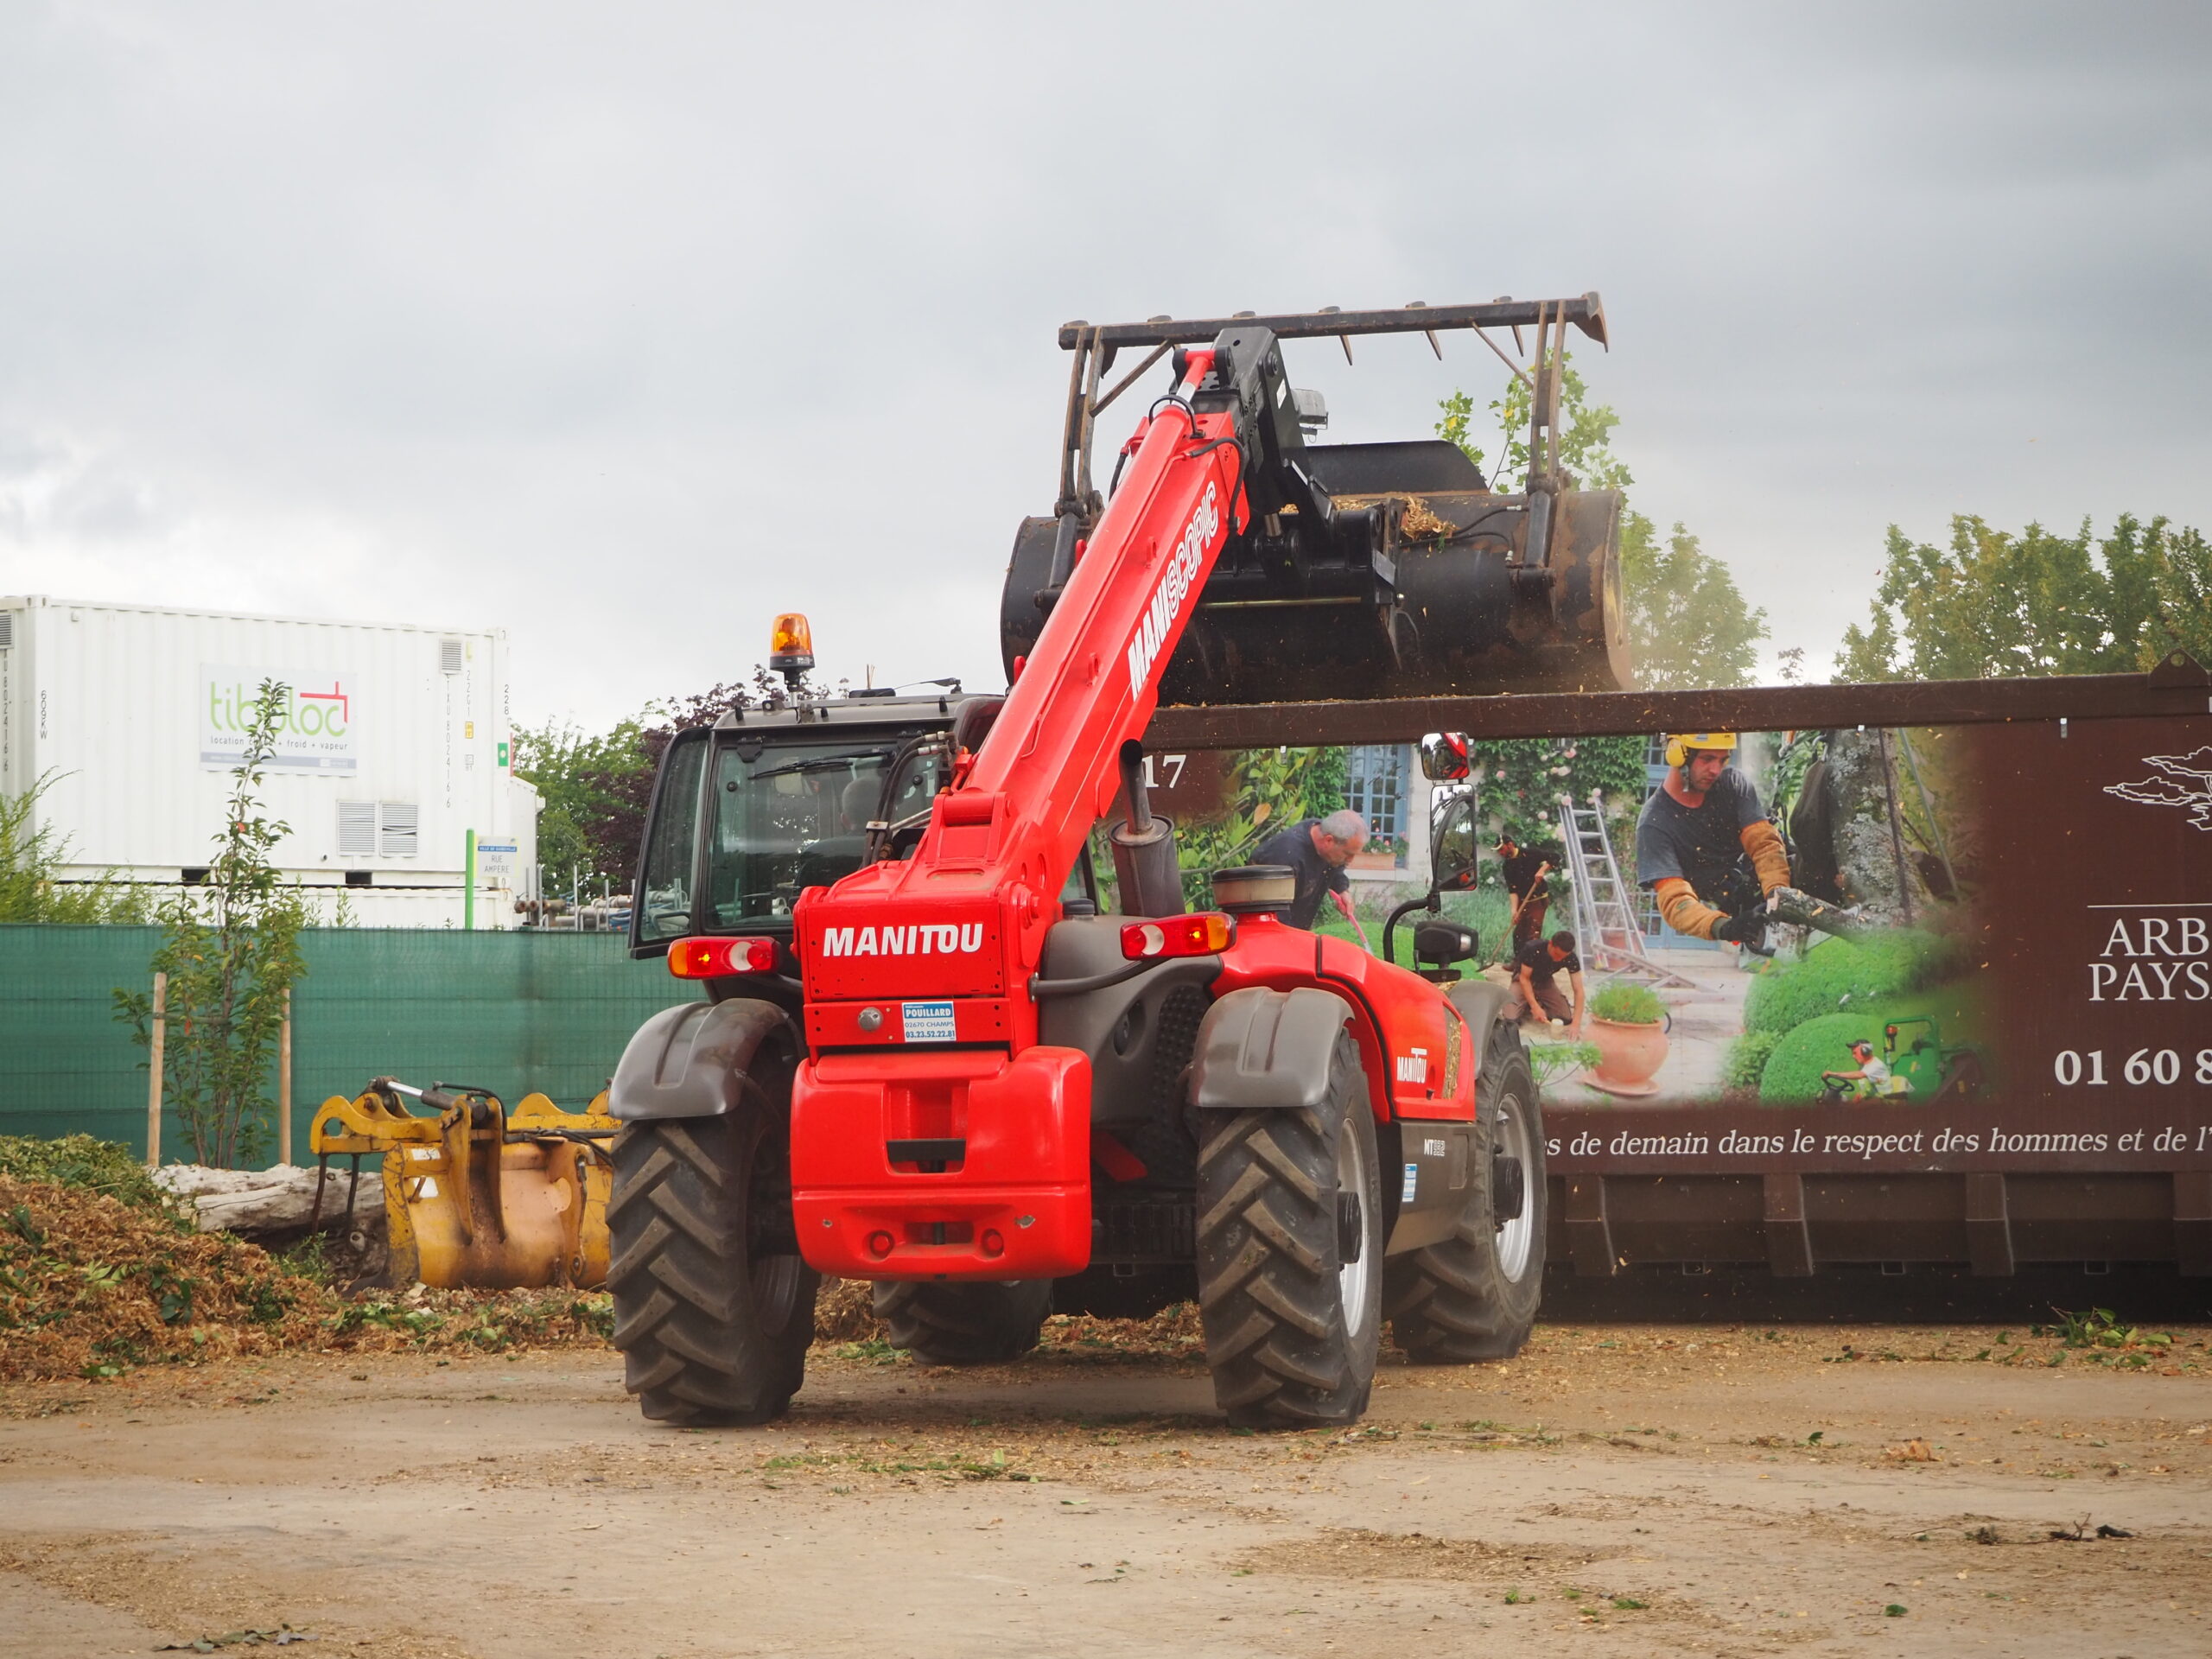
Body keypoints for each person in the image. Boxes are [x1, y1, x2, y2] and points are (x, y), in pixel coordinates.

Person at [1634, 732, 1792, 950]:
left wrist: (1778, 895)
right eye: (1707, 759)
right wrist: (1725, 927)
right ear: (1677, 756)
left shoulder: (1734, 785)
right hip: (1737, 904)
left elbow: (1764, 844)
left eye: (1722, 760)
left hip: (1777, 884)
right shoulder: (1654, 824)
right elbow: (1676, 901)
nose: (1716, 770)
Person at [1250, 808, 1369, 929]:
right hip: (1266, 931)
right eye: (1348, 854)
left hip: (1296, 930)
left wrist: (1342, 890)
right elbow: (1276, 916)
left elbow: (1334, 866)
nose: (1350, 860)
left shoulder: (1324, 834)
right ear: (1329, 840)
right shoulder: (1285, 857)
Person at [1513, 928, 1585, 1033]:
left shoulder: (1571, 958)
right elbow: (1524, 979)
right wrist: (1535, 1006)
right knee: (1511, 1017)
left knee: (1564, 1017)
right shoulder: (1533, 948)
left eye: (1563, 957)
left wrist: (1576, 1023)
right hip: (1524, 980)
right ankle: (1530, 1004)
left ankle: (1537, 1002)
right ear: (1551, 944)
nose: (1559, 959)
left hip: (1545, 981)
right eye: (1557, 954)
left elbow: (1579, 990)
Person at [1496, 834, 1555, 951]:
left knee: (1532, 935)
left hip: (1538, 900)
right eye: (1498, 851)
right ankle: (1518, 962)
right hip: (1523, 901)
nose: (1500, 853)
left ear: (1510, 845)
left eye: (1502, 849)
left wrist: (1542, 871)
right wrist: (1514, 911)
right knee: (1518, 934)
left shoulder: (1530, 853)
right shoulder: (1507, 865)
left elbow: (1555, 857)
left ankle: (1530, 966)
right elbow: (1512, 889)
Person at [1823, 1039, 1900, 1099]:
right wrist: (1861, 1094)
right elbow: (1868, 1085)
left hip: (1887, 1100)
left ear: (1865, 1051)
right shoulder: (1864, 1065)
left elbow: (1858, 1075)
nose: (1853, 1056)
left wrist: (1833, 1074)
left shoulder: (1876, 1065)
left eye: (1855, 1053)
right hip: (1875, 1097)